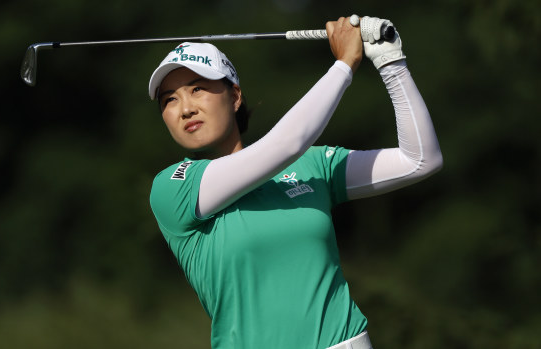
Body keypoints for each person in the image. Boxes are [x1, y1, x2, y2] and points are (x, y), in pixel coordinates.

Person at [148, 15, 442, 349]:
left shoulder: (310, 164)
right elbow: (285, 144)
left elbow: (420, 160)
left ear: (235, 96)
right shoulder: (173, 188)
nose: (184, 109)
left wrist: (391, 63)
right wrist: (344, 64)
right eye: (169, 100)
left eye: (197, 89)